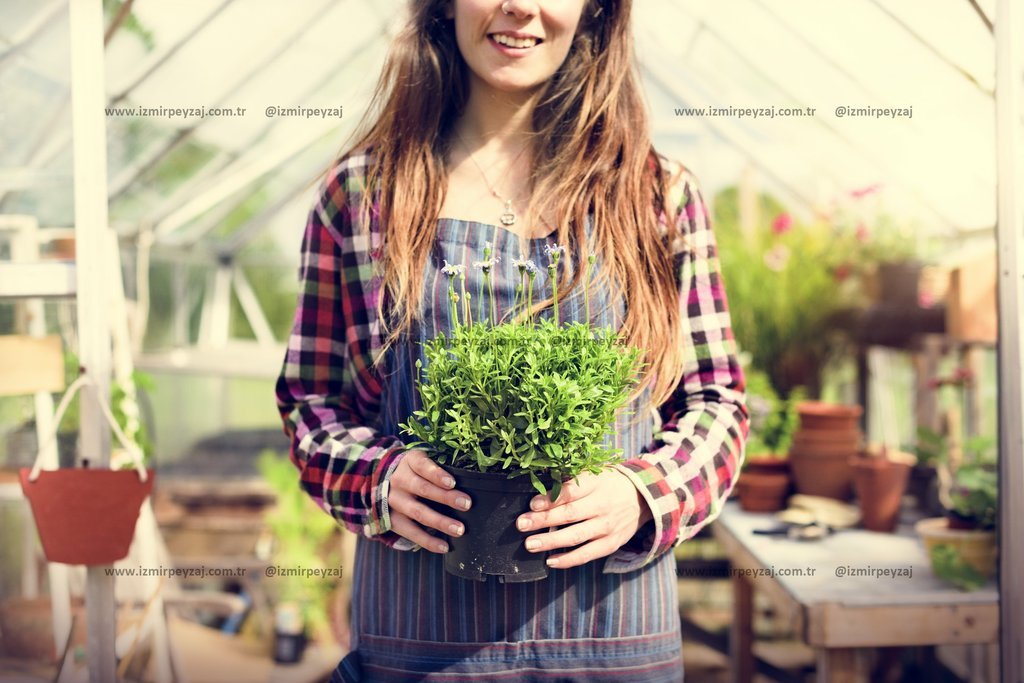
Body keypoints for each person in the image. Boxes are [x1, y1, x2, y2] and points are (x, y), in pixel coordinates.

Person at [274, 1, 748, 680]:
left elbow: (717, 400)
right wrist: (380, 479)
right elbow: (311, 402)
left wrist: (644, 493)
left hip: (612, 647)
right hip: (424, 651)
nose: (520, 6)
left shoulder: (656, 195)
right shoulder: (362, 197)